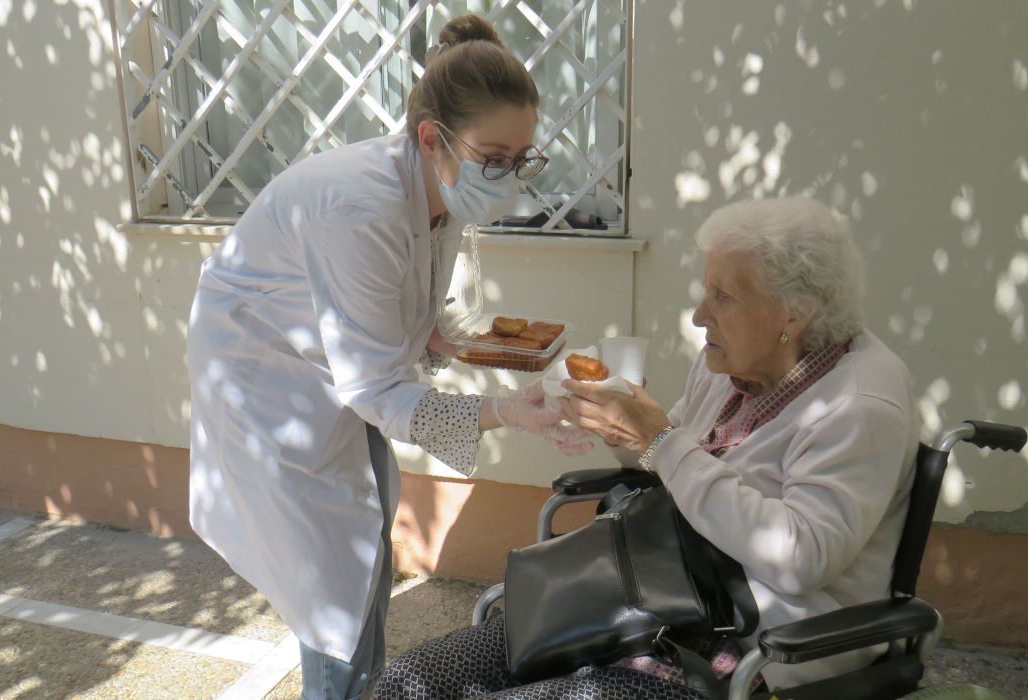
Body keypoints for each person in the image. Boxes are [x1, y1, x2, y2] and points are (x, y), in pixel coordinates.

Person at [186, 15, 592, 700]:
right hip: (264, 387)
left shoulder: (444, 185)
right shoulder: (360, 204)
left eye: (521, 160)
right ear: (433, 138)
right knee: (332, 585)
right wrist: (506, 412)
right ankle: (342, 686)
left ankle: (363, 682)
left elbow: (405, 303)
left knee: (373, 527)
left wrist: (442, 338)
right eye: (495, 158)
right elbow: (376, 388)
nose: (509, 178)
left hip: (327, 371)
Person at [373, 196, 920, 698]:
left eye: (722, 297)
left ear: (792, 315)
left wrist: (659, 440)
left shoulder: (857, 407)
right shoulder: (729, 364)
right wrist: (620, 428)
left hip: (742, 650)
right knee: (410, 683)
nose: (701, 314)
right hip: (645, 603)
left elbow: (801, 557)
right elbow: (667, 463)